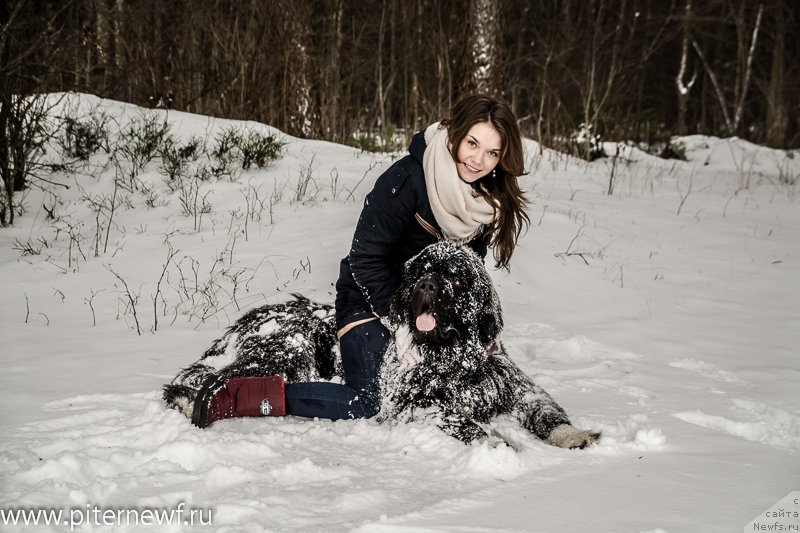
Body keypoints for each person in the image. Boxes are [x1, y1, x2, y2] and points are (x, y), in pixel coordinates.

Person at [194, 94, 530, 426]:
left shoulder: (486, 201)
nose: (477, 159)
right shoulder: (408, 179)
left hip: (429, 313)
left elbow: (469, 273)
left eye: (492, 152)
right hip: (369, 301)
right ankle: (237, 395)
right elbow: (365, 259)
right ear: (455, 133)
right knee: (371, 401)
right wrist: (400, 323)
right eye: (472, 143)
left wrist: (476, 328)